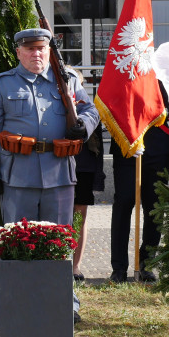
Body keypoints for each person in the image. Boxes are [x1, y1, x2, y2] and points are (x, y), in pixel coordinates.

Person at [0, 28, 99, 321]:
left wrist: (83, 125)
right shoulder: (1, 85)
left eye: (41, 49)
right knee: (19, 242)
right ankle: (19, 303)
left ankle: (63, 302)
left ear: (49, 50)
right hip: (18, 176)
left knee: (59, 245)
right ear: (18, 52)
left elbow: (92, 111)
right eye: (29, 49)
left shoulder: (67, 81)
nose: (36, 54)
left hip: (59, 175)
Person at [109, 83, 169, 284]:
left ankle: (147, 264)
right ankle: (119, 267)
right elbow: (108, 106)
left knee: (154, 206)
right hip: (126, 146)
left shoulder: (158, 78)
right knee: (124, 202)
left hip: (157, 148)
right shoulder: (120, 75)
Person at [72, 120, 105, 283]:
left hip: (83, 165)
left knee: (79, 217)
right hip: (56, 162)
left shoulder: (85, 103)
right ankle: (58, 261)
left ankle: (75, 266)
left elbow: (98, 142)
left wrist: (98, 176)